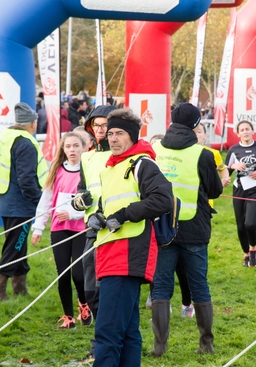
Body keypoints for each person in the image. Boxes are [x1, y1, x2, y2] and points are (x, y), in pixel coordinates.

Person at [84, 108, 172, 366]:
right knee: (127, 331)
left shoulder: (142, 164)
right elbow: (107, 206)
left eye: (119, 133)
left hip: (129, 254)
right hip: (109, 253)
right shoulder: (109, 169)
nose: (112, 138)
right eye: (110, 133)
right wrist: (97, 216)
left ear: (133, 136)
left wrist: (123, 215)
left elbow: (162, 199)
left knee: (107, 331)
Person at [151, 102, 223, 357]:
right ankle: (207, 344)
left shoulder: (155, 150)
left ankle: (159, 347)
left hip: (162, 227)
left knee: (160, 287)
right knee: (199, 286)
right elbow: (215, 190)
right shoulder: (203, 154)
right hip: (194, 229)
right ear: (195, 125)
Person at [0, 102, 48, 301]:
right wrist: (40, 201)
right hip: (20, 205)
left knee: (18, 246)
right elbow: (27, 179)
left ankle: (20, 289)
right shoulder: (26, 142)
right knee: (15, 246)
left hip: (7, 201)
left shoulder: (8, 137)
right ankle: (0, 286)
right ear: (32, 124)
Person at [30, 132, 92, 329]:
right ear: (63, 150)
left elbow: (91, 201)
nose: (72, 150)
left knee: (79, 275)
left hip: (81, 228)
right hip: (60, 229)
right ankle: (68, 317)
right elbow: (46, 201)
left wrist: (73, 214)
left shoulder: (88, 171)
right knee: (63, 274)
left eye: (76, 146)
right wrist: (38, 228)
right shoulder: (56, 170)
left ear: (84, 147)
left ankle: (84, 304)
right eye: (68, 147)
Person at [71, 104, 116, 364]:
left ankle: (102, 345)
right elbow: (80, 195)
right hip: (92, 230)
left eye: (105, 125)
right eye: (96, 126)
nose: (101, 130)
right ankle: (101, 340)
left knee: (106, 291)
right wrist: (81, 202)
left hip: (116, 230)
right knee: (89, 290)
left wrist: (105, 214)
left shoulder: (124, 155)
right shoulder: (87, 157)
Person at [226, 120, 256, 267]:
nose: (245, 132)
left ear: (253, 131)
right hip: (239, 189)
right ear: (238, 133)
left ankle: (253, 249)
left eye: (248, 129)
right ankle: (245, 253)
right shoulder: (233, 150)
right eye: (242, 130)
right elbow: (226, 170)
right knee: (240, 226)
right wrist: (233, 165)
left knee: (249, 223)